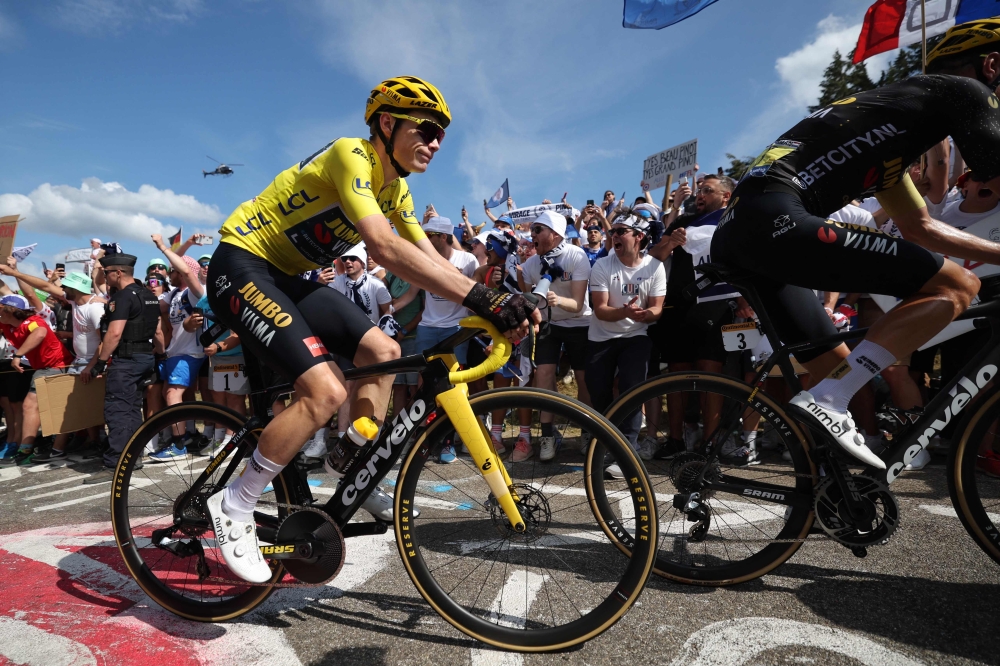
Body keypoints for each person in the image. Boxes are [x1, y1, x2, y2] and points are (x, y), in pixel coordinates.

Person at [204, 75, 536, 582]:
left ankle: (353, 462)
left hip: (287, 278)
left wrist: (499, 302)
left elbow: (430, 261)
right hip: (241, 264)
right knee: (325, 390)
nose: (436, 142)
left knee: (382, 349)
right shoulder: (351, 155)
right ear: (387, 123)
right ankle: (235, 502)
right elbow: (383, 248)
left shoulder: (396, 189)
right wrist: (483, 297)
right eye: (426, 129)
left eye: (442, 133)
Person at [711, 18, 1000, 468]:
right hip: (775, 219)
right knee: (958, 286)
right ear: (992, 64)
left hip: (747, 232)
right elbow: (991, 163)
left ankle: (832, 488)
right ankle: (827, 400)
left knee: (841, 368)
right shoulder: (964, 90)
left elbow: (920, 227)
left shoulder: (889, 145)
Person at [586, 211, 666, 461]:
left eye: (620, 231)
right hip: (601, 337)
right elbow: (600, 310)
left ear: (639, 236)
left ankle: (626, 452)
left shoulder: (655, 266)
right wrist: (625, 311)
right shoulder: (602, 264)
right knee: (599, 393)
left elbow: (657, 308)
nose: (613, 235)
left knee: (632, 389)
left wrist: (647, 314)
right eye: (612, 232)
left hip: (636, 335)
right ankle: (605, 443)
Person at [81, 254, 162, 482]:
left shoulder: (123, 298)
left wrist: (99, 363)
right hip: (145, 357)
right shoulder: (149, 296)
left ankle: (116, 463)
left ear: (118, 272)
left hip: (126, 361)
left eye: (106, 273)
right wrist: (161, 353)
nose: (105, 277)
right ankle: (132, 457)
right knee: (132, 409)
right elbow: (158, 332)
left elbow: (114, 333)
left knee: (118, 410)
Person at [520, 210, 594, 462]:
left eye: (538, 230)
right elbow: (527, 301)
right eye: (532, 230)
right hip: (548, 323)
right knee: (543, 376)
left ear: (554, 234)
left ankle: (586, 432)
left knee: (584, 379)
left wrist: (556, 299)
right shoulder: (530, 264)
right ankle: (548, 436)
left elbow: (578, 305)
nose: (532, 235)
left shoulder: (576, 255)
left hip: (578, 322)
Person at [413, 216, 479, 463]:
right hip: (427, 327)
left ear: (443, 237)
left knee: (453, 386)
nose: (425, 240)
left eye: (429, 235)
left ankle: (448, 440)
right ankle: (429, 438)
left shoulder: (467, 260)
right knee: (426, 384)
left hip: (455, 328)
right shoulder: (423, 258)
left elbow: (475, 290)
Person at [0, 294, 74, 466]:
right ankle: (48, 448)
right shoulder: (7, 323)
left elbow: (40, 333)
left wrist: (18, 355)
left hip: (56, 366)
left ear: (11, 310)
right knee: (46, 409)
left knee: (30, 404)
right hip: (44, 368)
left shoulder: (32, 322)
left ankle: (25, 451)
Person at [151, 236, 206, 461]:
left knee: (174, 395)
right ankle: (188, 434)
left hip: (190, 352)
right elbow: (152, 306)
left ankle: (179, 444)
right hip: (176, 351)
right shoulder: (172, 294)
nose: (168, 274)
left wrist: (164, 247)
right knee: (168, 393)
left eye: (172, 271)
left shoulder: (195, 292)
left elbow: (187, 271)